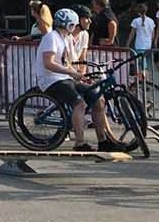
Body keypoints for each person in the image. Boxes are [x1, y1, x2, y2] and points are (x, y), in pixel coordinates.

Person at [35, 8, 123, 152]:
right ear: (68, 25)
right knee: (79, 104)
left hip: (64, 77)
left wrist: (79, 75)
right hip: (51, 79)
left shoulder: (64, 39)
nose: (75, 27)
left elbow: (65, 62)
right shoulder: (51, 38)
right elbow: (48, 63)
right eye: (73, 25)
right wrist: (71, 73)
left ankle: (103, 141)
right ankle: (79, 143)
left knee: (98, 99)